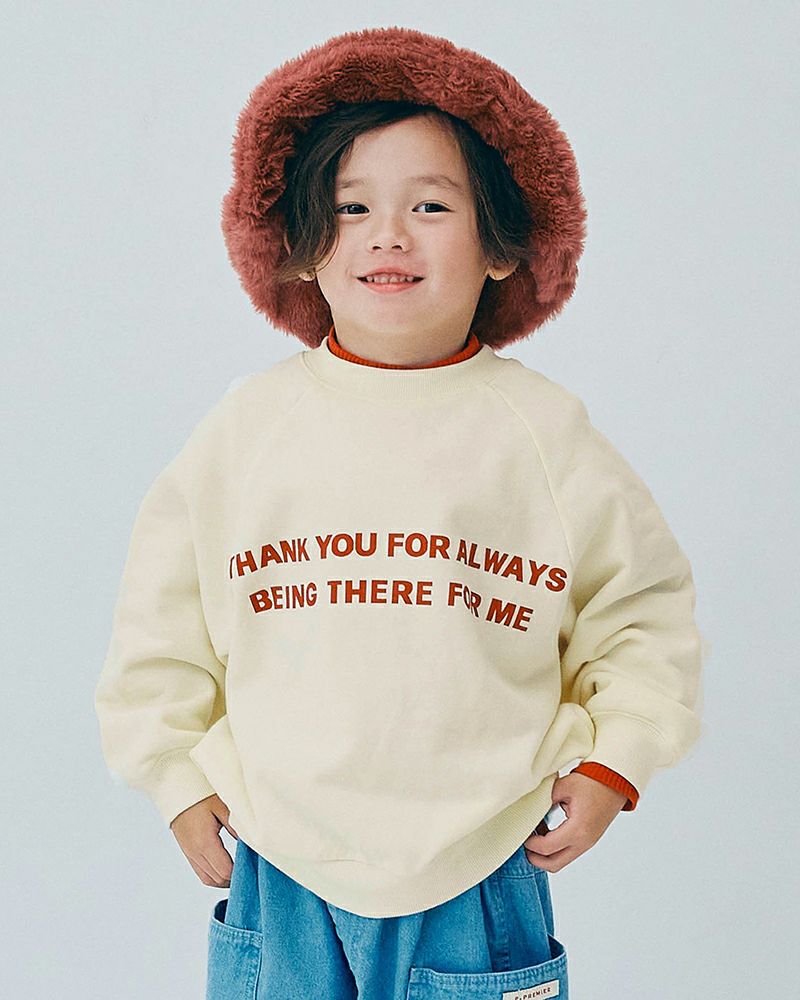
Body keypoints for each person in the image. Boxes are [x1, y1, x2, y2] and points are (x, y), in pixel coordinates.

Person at [94, 25, 710, 999]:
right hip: (278, 857)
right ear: (301, 246)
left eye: (430, 204)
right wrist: (174, 774)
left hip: (480, 860)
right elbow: (160, 626)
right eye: (351, 207)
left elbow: (640, 614)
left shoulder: (544, 436)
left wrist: (613, 762)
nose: (388, 233)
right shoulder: (246, 430)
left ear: (500, 245)